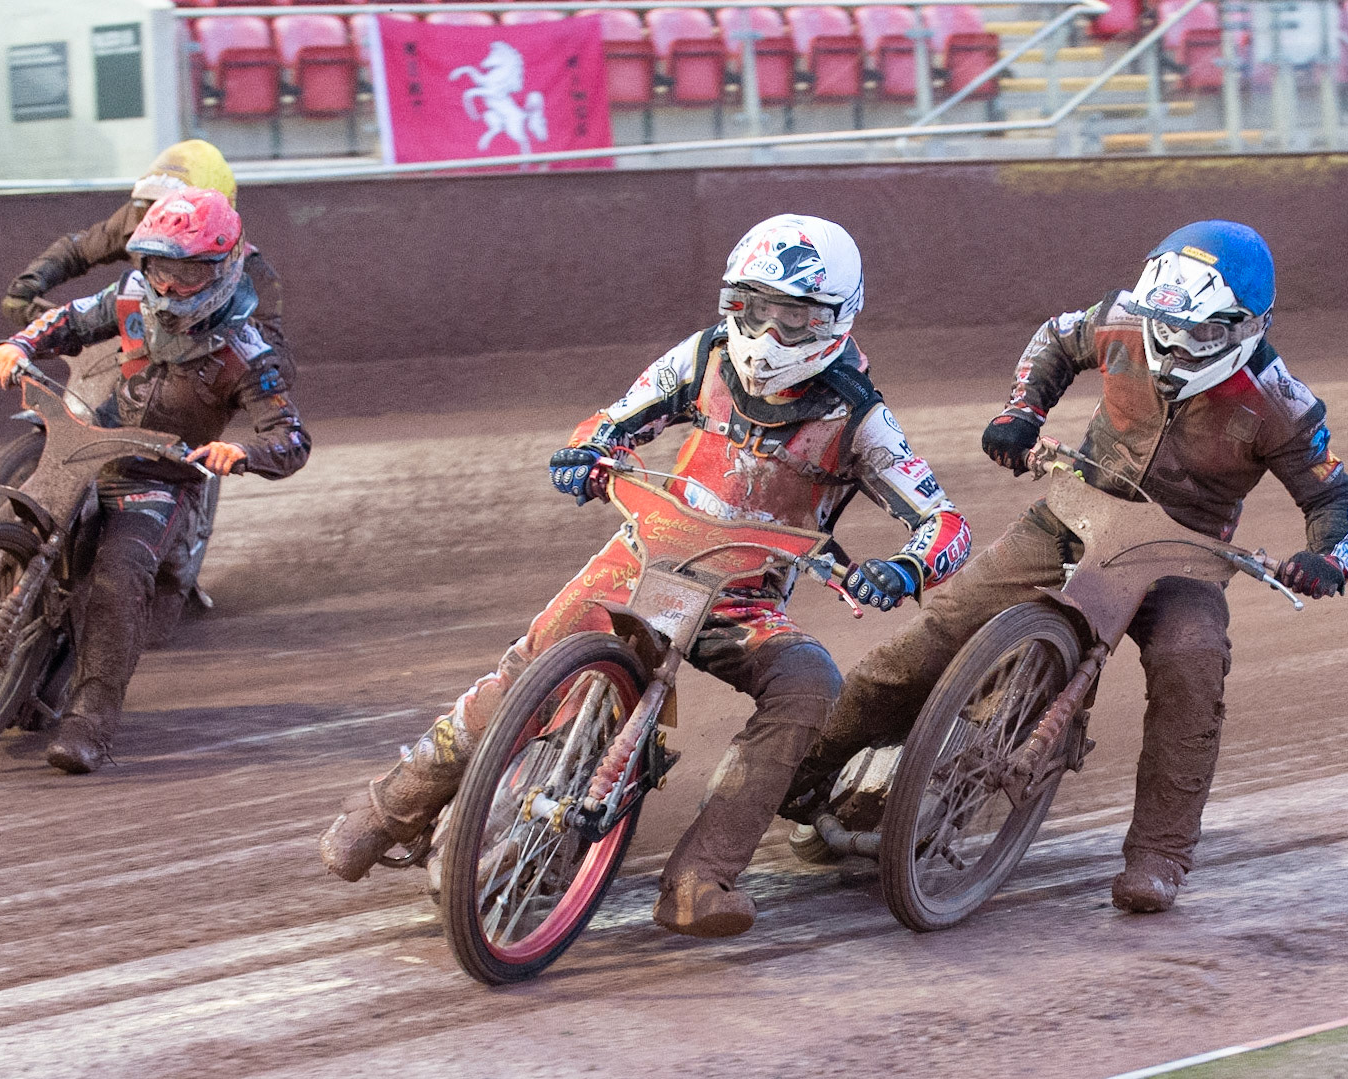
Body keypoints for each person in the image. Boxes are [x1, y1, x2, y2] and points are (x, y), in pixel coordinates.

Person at [319, 214, 972, 937]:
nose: (770, 334)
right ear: (734, 303)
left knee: (808, 682)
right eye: (757, 309)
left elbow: (945, 524)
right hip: (642, 559)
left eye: (795, 316)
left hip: (743, 605)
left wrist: (903, 570)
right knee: (529, 663)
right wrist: (585, 453)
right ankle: (384, 810)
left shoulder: (860, 417)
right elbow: (611, 421)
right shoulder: (702, 357)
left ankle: (701, 876)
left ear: (836, 319)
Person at [787, 220, 1348, 913]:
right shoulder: (1120, 321)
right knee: (933, 633)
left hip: (1180, 557)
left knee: (1191, 663)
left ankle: (1159, 854)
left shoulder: (1281, 404)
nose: (1177, 346)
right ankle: (803, 772)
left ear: (1250, 326)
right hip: (1070, 513)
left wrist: (1325, 557)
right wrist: (1021, 412)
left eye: (1203, 335)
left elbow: (1337, 496)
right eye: (1167, 325)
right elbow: (1055, 339)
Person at [0, 188, 311, 774]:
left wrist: (240, 451)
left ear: (225, 267)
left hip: (162, 477)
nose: (170, 286)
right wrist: (20, 344)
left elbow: (291, 438)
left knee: (119, 574)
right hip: (91, 443)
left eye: (188, 272)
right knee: (4, 519)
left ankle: (90, 721)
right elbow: (70, 320)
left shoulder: (251, 353)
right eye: (160, 267)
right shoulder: (132, 295)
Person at [0, 139, 292, 386]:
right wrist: (29, 283)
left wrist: (232, 350)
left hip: (199, 380)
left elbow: (278, 366)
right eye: (155, 205)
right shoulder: (144, 215)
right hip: (142, 352)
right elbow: (79, 249)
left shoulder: (251, 269)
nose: (160, 219)